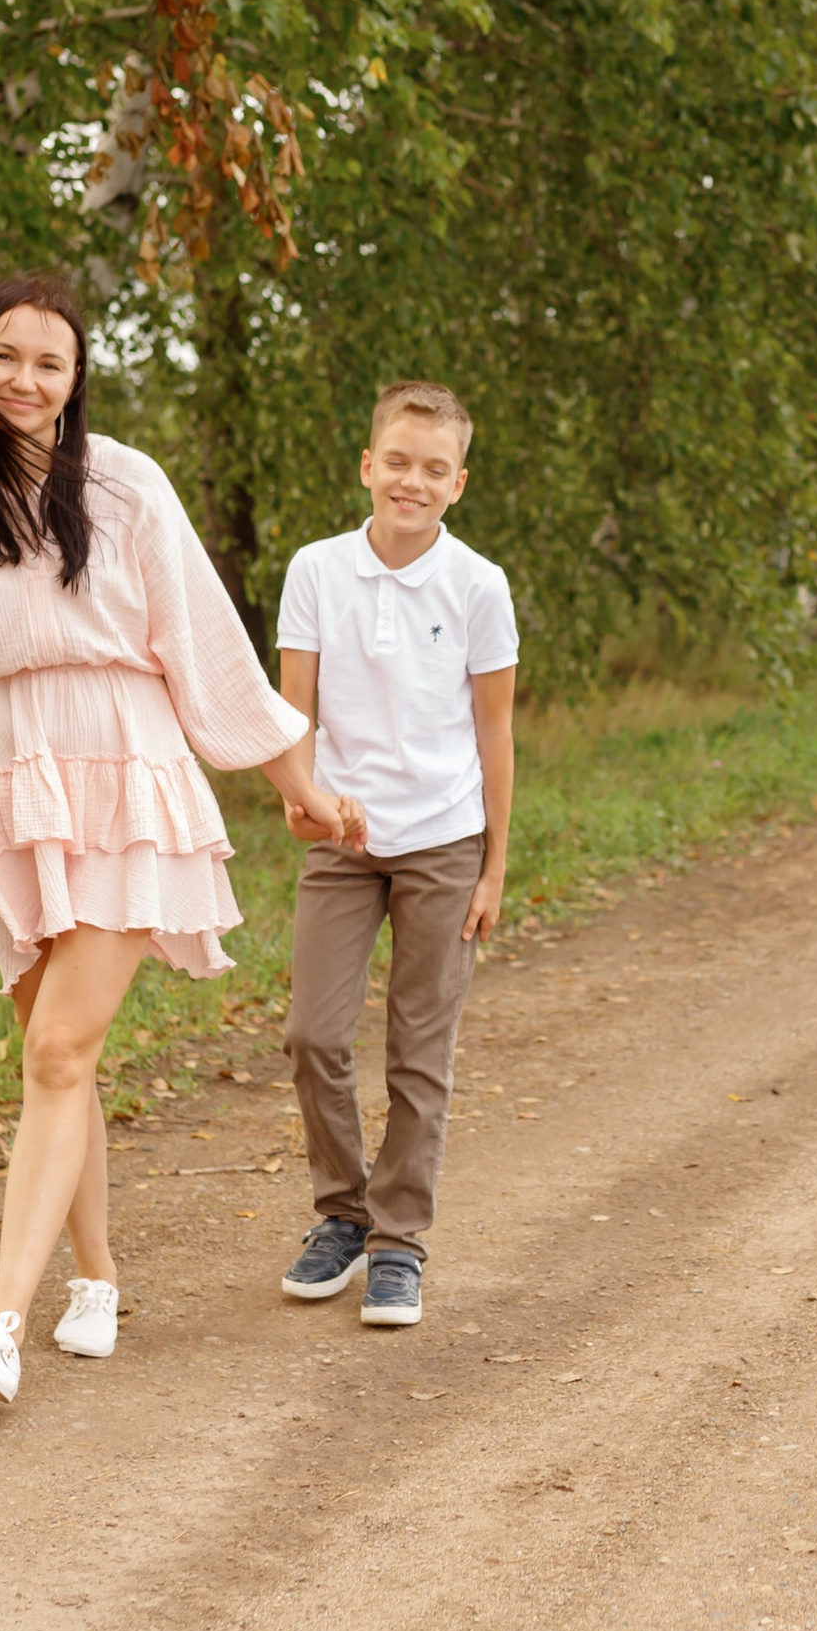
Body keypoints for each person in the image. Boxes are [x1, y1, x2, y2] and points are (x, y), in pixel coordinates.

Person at [0, 271, 364, 1407]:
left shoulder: (127, 483)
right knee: (59, 1056)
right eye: (5, 355)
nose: (25, 380)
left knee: (56, 1053)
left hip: (125, 774)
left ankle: (0, 1322)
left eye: (50, 362)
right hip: (6, 781)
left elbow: (206, 645)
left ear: (77, 375)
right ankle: (94, 1277)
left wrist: (301, 784)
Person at [272, 381, 518, 1331]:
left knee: (420, 1052)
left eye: (435, 468)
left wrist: (494, 866)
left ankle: (399, 1243)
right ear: (368, 466)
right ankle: (343, 1213)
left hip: (446, 842)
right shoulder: (316, 570)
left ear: (459, 483)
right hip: (343, 838)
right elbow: (294, 713)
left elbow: (494, 732)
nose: (413, 482)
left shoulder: (478, 585)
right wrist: (301, 797)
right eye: (399, 463)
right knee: (313, 1035)